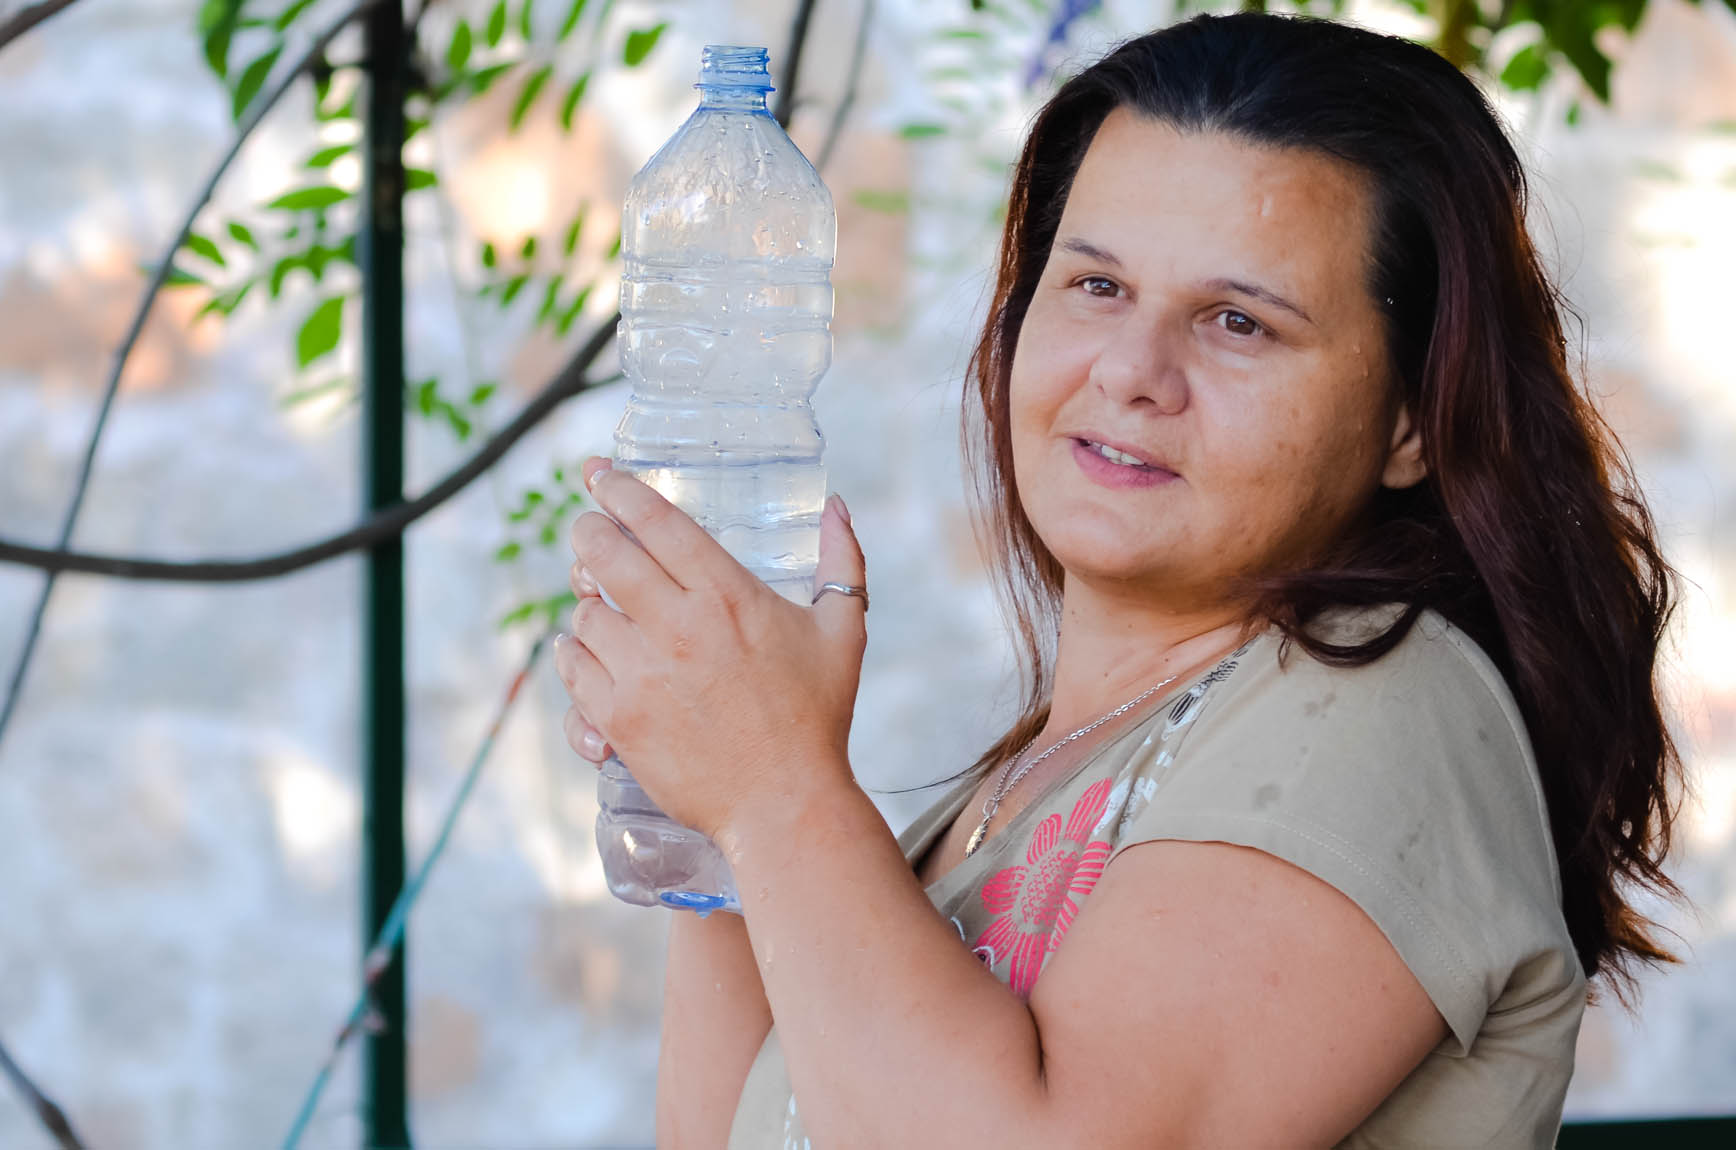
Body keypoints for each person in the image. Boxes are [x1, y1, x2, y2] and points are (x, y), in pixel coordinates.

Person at [552, 11, 1683, 1147]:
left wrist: (776, 786)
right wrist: (711, 810)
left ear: (1408, 419)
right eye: (1093, 286)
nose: (1132, 372)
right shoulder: (1034, 780)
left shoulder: (1377, 707)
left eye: (1237, 322)